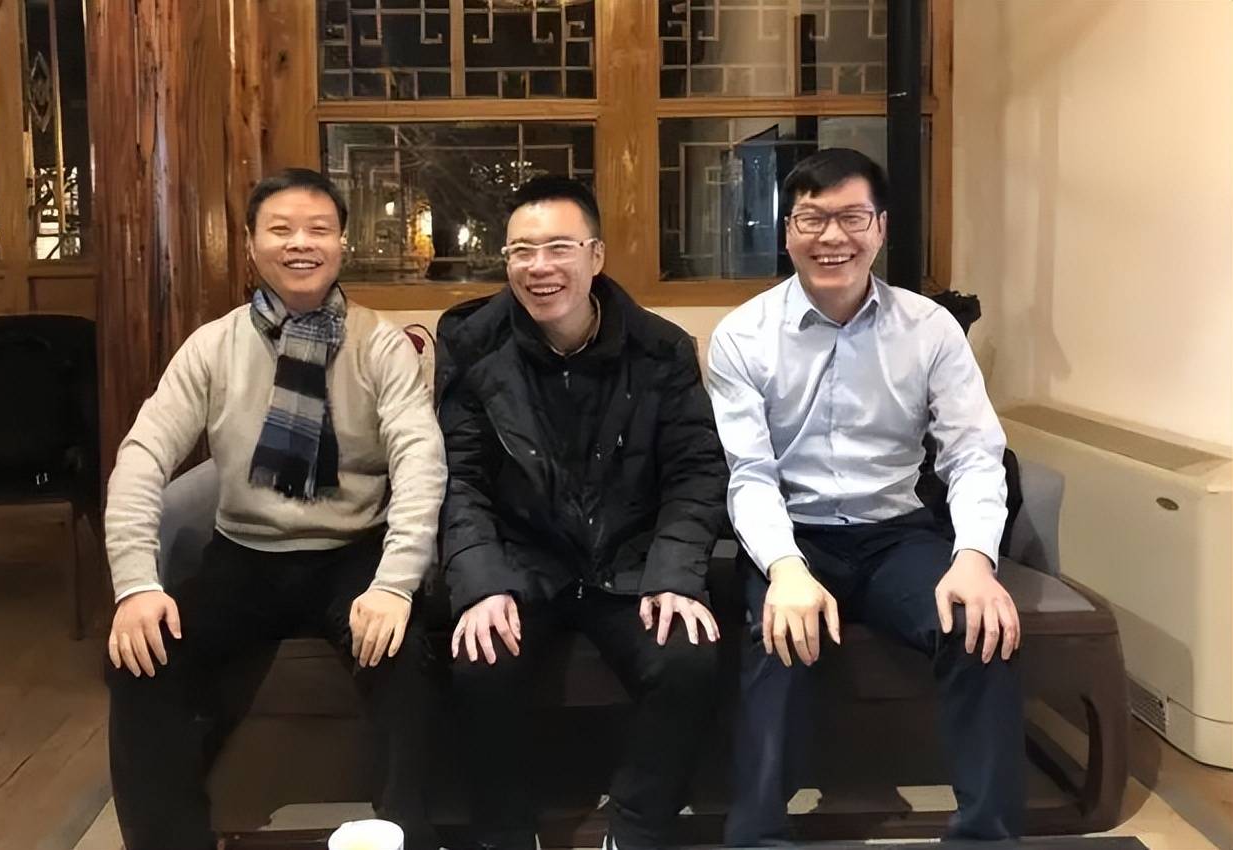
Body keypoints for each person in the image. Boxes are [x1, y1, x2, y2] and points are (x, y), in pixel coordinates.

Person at [102, 168, 446, 850]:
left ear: (342, 243)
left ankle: (404, 835)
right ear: (251, 244)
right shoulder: (214, 345)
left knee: (407, 659)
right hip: (244, 557)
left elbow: (420, 459)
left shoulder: (379, 345)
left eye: (319, 229)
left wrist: (395, 583)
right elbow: (142, 455)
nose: (300, 244)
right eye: (281, 229)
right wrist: (136, 585)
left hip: (352, 554)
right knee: (140, 660)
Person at [708, 148, 1024, 844]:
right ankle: (756, 837)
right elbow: (749, 474)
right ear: (787, 230)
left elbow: (974, 453)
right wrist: (785, 569)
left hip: (895, 535)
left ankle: (987, 837)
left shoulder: (929, 329)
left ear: (880, 227)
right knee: (774, 637)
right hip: (794, 536)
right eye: (812, 218)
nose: (832, 237)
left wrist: (976, 559)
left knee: (980, 626)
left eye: (852, 217)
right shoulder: (742, 337)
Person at [434, 176, 730, 850]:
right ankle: (507, 835)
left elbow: (695, 471)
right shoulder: (473, 344)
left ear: (595, 256)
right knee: (479, 660)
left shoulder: (660, 349)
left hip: (628, 561)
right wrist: (480, 584)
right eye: (522, 251)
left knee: (687, 659)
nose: (540, 267)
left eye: (559, 248)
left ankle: (635, 828)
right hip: (523, 559)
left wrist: (674, 574)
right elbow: (460, 479)